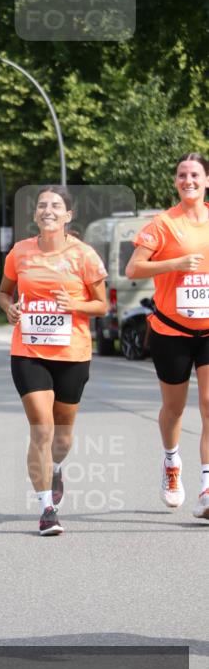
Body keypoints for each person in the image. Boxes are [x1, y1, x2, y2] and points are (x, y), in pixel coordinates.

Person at [0, 186, 108, 536]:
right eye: (42, 205)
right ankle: (47, 508)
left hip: (72, 353)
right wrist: (9, 308)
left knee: (61, 437)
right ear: (35, 215)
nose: (48, 210)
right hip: (29, 351)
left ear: (68, 216)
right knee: (42, 428)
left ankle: (55, 466)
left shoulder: (84, 255)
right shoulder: (20, 252)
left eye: (56, 205)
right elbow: (3, 292)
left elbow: (102, 305)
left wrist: (75, 305)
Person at [126, 152, 209, 521]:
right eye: (181, 175)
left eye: (194, 174)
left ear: (207, 180)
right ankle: (172, 461)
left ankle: (207, 488)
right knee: (174, 409)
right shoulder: (163, 224)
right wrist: (175, 263)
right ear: (176, 182)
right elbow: (133, 268)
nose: (187, 180)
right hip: (171, 330)